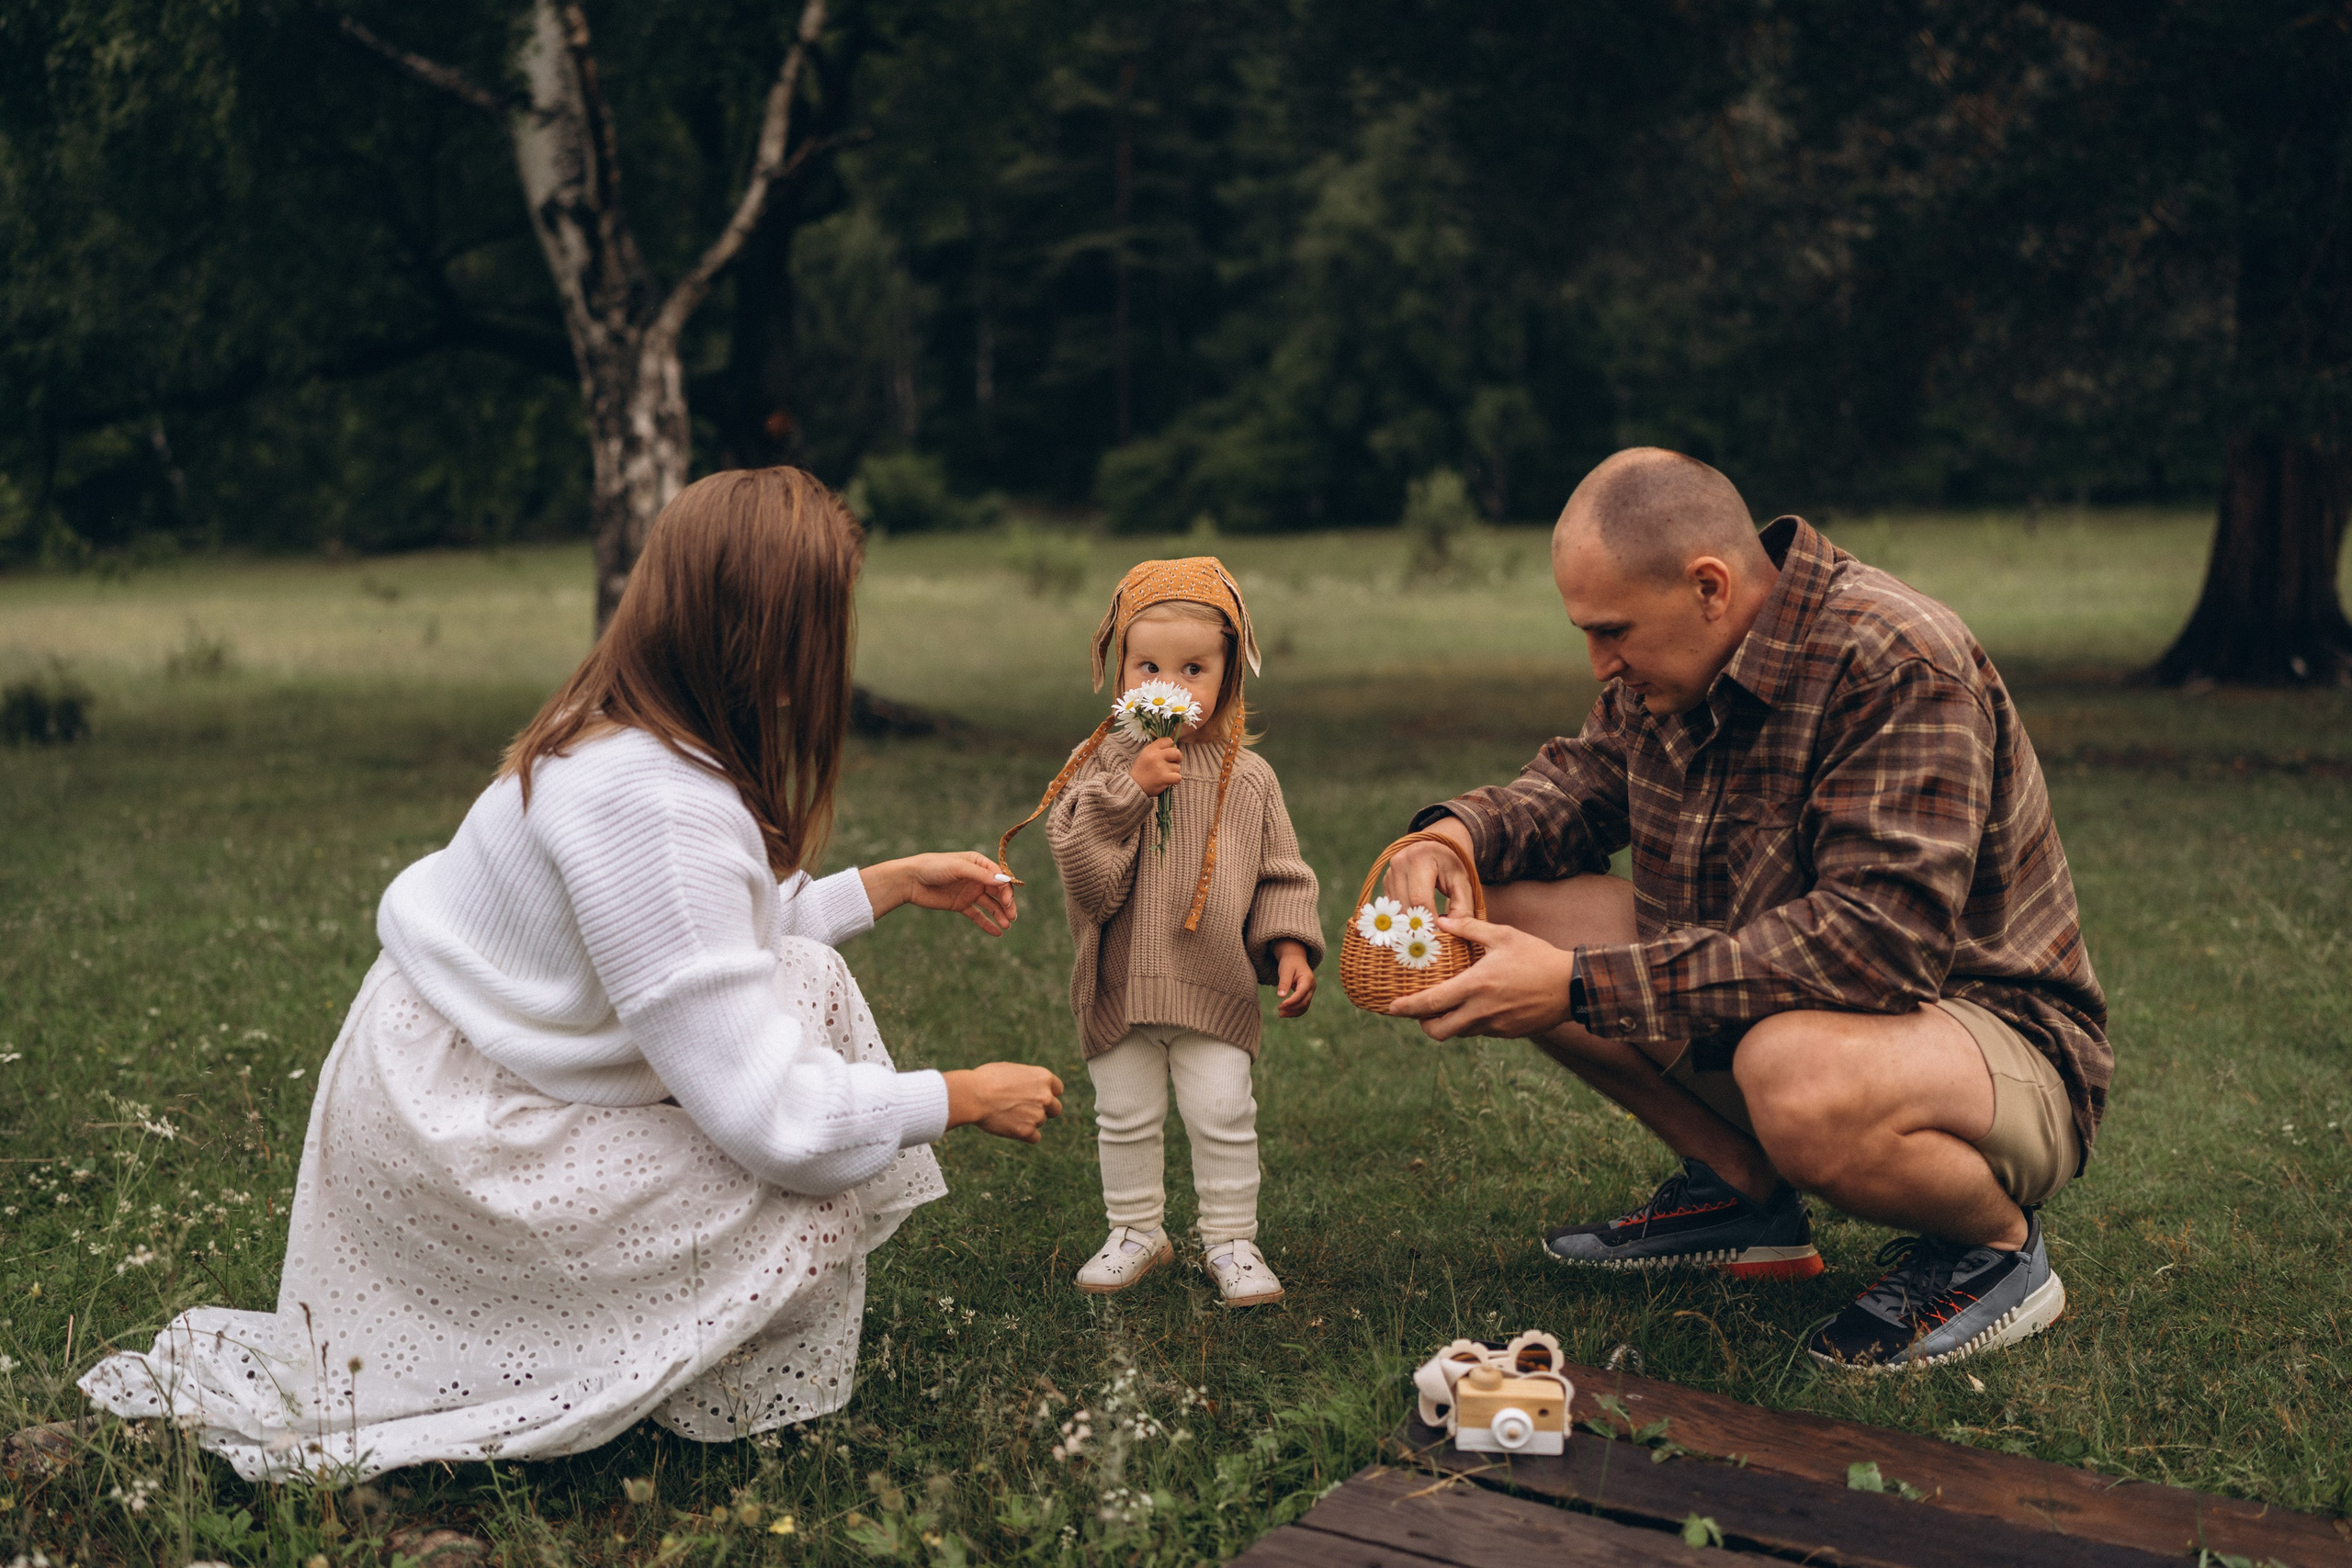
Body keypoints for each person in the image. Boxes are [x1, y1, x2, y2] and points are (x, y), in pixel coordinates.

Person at [80, 468, 1066, 1477]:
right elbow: (778, 1120)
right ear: (765, 637)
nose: (837, 643)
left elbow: (696, 952)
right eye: (825, 619)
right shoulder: (659, 804)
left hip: (455, 1081)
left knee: (807, 981)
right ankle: (603, 1373)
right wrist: (958, 1096)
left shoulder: (625, 735)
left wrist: (886, 884)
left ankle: (619, 1340)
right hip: (460, 1139)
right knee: (809, 1200)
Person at [1384, 448, 2110, 1371]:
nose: (1600, 662)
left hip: (1995, 1043)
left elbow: (1874, 947)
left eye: (1612, 631)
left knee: (1791, 1072)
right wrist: (1452, 836)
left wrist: (1575, 986)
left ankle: (1994, 1250)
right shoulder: (1674, 667)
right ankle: (1742, 1197)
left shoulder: (1894, 660)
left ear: (1709, 586)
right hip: (1798, 1012)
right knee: (1510, 914)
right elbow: (1579, 787)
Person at [997, 558, 1322, 1306]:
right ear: (1121, 673)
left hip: (1212, 980)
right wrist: (1129, 791)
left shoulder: (1251, 778)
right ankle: (1137, 1227)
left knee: (1223, 1113)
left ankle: (1232, 1237)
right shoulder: (1102, 767)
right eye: (1150, 666)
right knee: (1125, 1114)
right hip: (1121, 983)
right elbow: (1088, 878)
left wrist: (1291, 944)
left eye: (1194, 668)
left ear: (1229, 675)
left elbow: (1281, 872)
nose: (1171, 686)